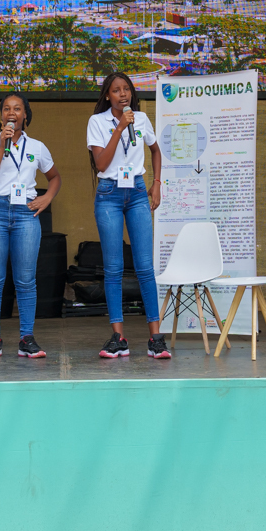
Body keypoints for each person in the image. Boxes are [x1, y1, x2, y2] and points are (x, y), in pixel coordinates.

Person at [86, 72, 169, 360]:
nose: (123, 95)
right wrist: (119, 128)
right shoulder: (98, 122)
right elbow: (102, 162)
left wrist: (156, 184)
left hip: (135, 192)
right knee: (114, 268)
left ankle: (155, 338)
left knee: (145, 267)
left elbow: (156, 151)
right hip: (109, 193)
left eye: (127, 90)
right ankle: (118, 337)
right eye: (116, 90)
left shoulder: (142, 119)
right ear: (107, 96)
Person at [0, 92, 61, 359]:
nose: (12, 113)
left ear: (25, 115)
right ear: (2, 116)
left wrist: (46, 198)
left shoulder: (38, 147)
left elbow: (54, 177)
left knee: (25, 280)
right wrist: (3, 146)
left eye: (17, 109)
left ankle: (26, 338)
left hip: (25, 214)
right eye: (7, 109)